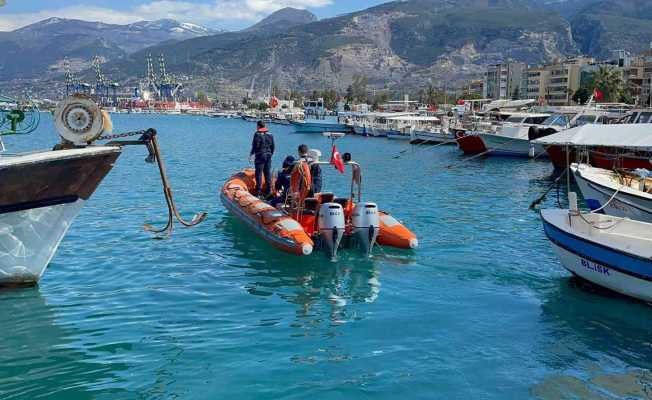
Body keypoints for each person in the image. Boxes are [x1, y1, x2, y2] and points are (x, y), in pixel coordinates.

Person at [250, 121, 275, 197]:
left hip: (260, 156)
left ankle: (258, 191)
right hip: (268, 155)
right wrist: (270, 154)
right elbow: (273, 146)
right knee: (267, 173)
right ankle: (268, 190)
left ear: (258, 126)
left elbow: (255, 146)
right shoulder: (270, 135)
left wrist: (251, 154)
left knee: (259, 173)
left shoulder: (257, 134)